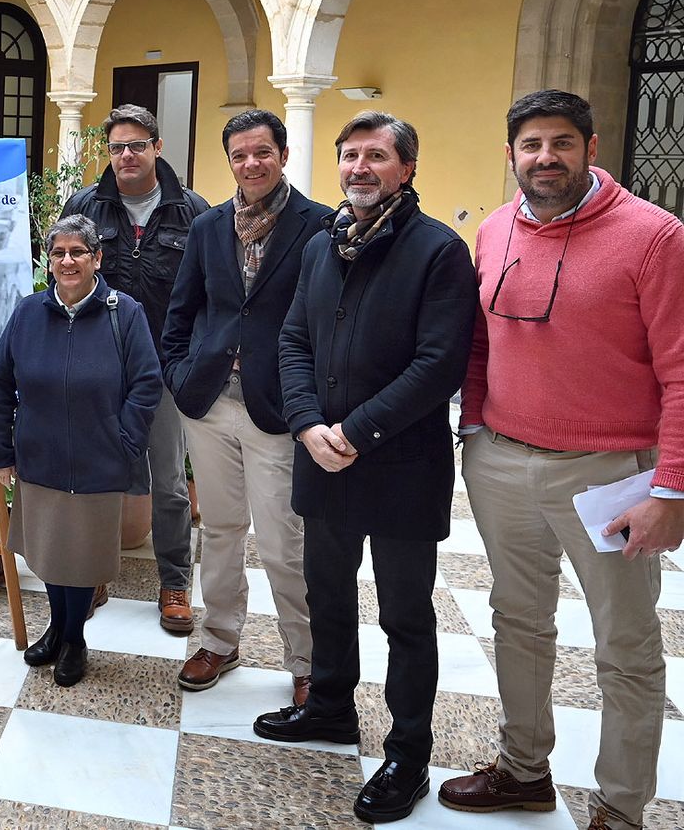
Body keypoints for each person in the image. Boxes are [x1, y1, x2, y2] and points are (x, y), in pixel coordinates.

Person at [439, 91, 684, 830]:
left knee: (625, 643)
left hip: (610, 472)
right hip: (504, 460)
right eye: (530, 145)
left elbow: (681, 367)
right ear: (511, 153)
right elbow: (480, 343)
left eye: (561, 143)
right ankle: (522, 769)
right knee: (517, 619)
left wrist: (671, 487)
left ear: (591, 145)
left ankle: (620, 806)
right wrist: (476, 429)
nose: (545, 158)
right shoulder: (492, 229)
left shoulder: (654, 236)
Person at [252, 111, 475, 825]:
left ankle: (408, 752)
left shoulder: (438, 250)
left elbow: (439, 362)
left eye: (376, 155)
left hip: (402, 463)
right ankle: (329, 706)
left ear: (407, 167)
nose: (358, 167)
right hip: (323, 457)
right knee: (327, 592)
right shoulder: (325, 244)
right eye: (350, 155)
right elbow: (292, 338)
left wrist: (356, 428)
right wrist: (308, 423)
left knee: (406, 614)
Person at [162, 109, 331, 705]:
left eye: (262, 152)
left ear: (282, 155)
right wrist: (180, 376)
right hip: (209, 404)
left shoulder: (319, 225)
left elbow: (326, 322)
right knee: (223, 529)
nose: (250, 164)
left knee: (285, 542)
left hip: (280, 409)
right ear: (228, 161)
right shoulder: (208, 227)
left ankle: (306, 660)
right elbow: (181, 312)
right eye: (239, 155)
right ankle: (219, 638)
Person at [0, 215, 163, 686]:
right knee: (49, 551)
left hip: (98, 459)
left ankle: (74, 640)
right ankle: (56, 627)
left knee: (82, 559)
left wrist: (124, 440)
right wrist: (1, 451)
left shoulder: (124, 313)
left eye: (78, 253)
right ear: (50, 261)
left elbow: (147, 384)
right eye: (59, 253)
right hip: (39, 458)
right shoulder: (28, 313)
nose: (68, 261)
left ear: (96, 259)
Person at [61, 104, 207, 633]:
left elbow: (207, 291)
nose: (127, 155)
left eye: (137, 145)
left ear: (157, 148)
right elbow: (63, 273)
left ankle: (174, 583)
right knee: (100, 475)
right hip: (99, 366)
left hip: (164, 368)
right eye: (118, 146)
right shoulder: (86, 204)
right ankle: (95, 572)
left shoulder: (191, 210)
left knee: (168, 481)